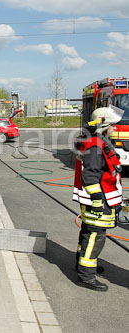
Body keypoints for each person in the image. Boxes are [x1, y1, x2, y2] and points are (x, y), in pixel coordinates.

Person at [72, 105, 124, 292]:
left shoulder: (97, 141)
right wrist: (96, 199)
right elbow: (90, 176)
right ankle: (86, 276)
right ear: (104, 125)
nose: (115, 128)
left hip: (100, 198)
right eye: (113, 125)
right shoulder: (96, 145)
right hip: (99, 201)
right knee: (95, 236)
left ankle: (84, 266)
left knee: (88, 232)